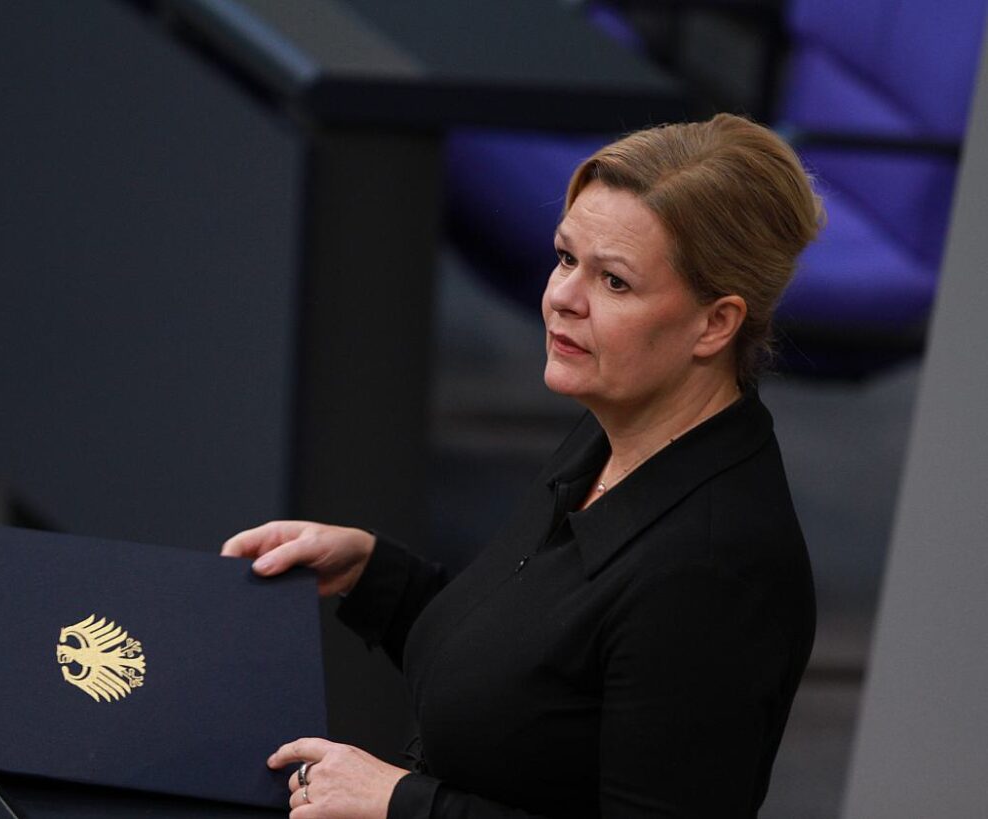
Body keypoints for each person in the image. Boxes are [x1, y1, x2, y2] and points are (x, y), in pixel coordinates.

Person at [222, 113, 823, 818]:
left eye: (615, 282)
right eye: (567, 257)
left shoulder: (715, 573)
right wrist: (375, 574)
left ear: (715, 323)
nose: (563, 298)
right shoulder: (611, 432)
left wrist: (401, 802)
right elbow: (536, 683)